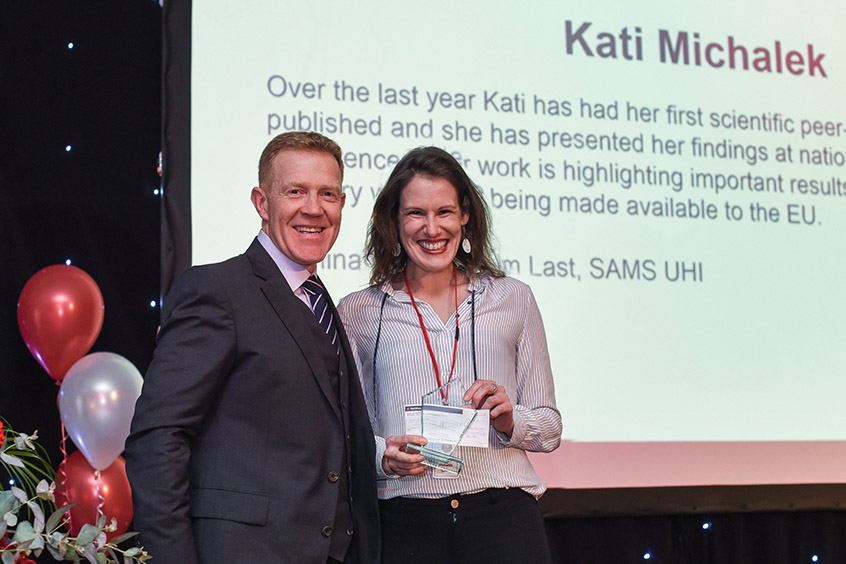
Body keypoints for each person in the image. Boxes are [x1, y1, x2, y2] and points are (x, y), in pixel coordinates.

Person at [124, 131, 379, 564]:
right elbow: (158, 439)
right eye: (295, 191)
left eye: (328, 194)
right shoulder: (217, 290)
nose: (314, 208)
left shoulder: (322, 302)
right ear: (262, 203)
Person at [337, 146, 561, 564]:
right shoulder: (359, 312)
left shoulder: (512, 298)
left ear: (464, 216)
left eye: (444, 211)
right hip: (403, 521)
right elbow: (349, 436)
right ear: (394, 222)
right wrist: (383, 456)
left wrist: (510, 420)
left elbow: (549, 427)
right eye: (415, 213)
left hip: (504, 518)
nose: (431, 227)